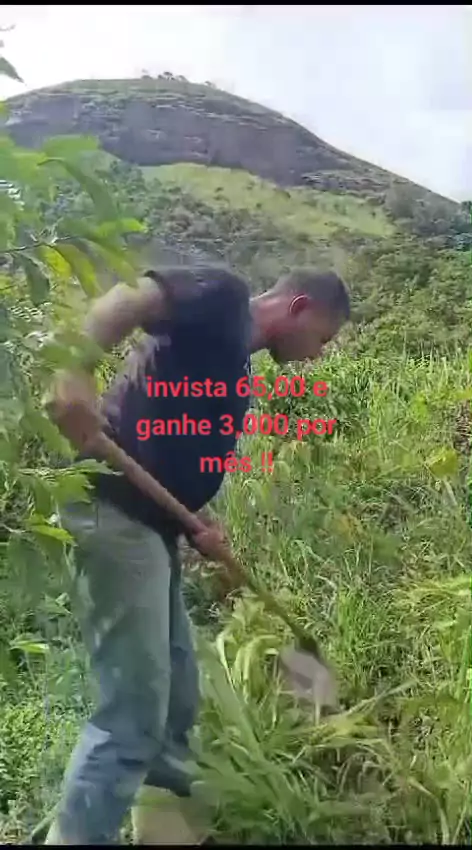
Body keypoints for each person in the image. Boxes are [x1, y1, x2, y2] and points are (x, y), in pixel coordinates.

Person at [45, 265, 350, 845]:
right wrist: (73, 370)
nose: (318, 356)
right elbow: (126, 297)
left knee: (178, 694)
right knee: (132, 714)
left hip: (151, 524)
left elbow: (165, 447)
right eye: (323, 338)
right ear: (298, 308)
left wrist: (198, 522)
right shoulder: (224, 297)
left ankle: (164, 831)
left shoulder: (234, 362)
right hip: (113, 511)